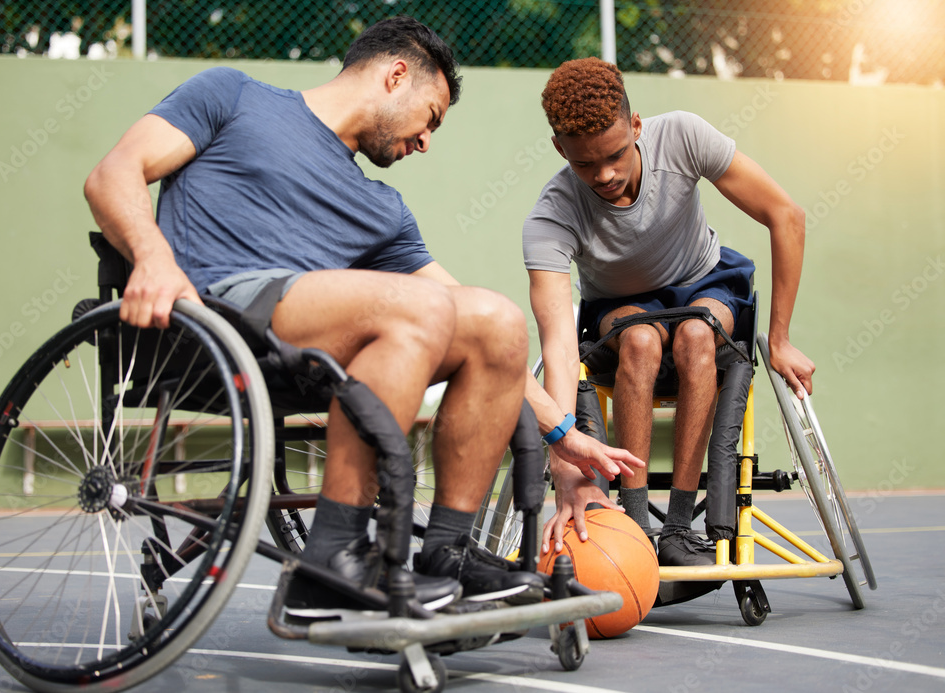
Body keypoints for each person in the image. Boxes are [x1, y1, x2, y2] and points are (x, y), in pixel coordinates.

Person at [83, 17, 620, 616]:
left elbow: (479, 325)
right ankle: (331, 559)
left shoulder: (381, 209)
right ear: (396, 75)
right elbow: (113, 174)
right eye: (431, 118)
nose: (426, 141)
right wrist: (153, 260)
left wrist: (565, 438)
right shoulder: (233, 95)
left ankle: (446, 553)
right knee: (421, 306)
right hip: (210, 317)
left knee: (496, 320)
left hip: (309, 350)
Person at [522, 58, 816, 586]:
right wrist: (564, 455)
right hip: (621, 307)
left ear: (637, 127)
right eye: (587, 164)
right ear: (560, 149)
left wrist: (782, 338)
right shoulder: (552, 214)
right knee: (637, 339)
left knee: (698, 333)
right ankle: (636, 524)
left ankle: (679, 529)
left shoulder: (681, 136)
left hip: (705, 285)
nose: (605, 175)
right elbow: (559, 346)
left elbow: (786, 215)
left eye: (614, 155)